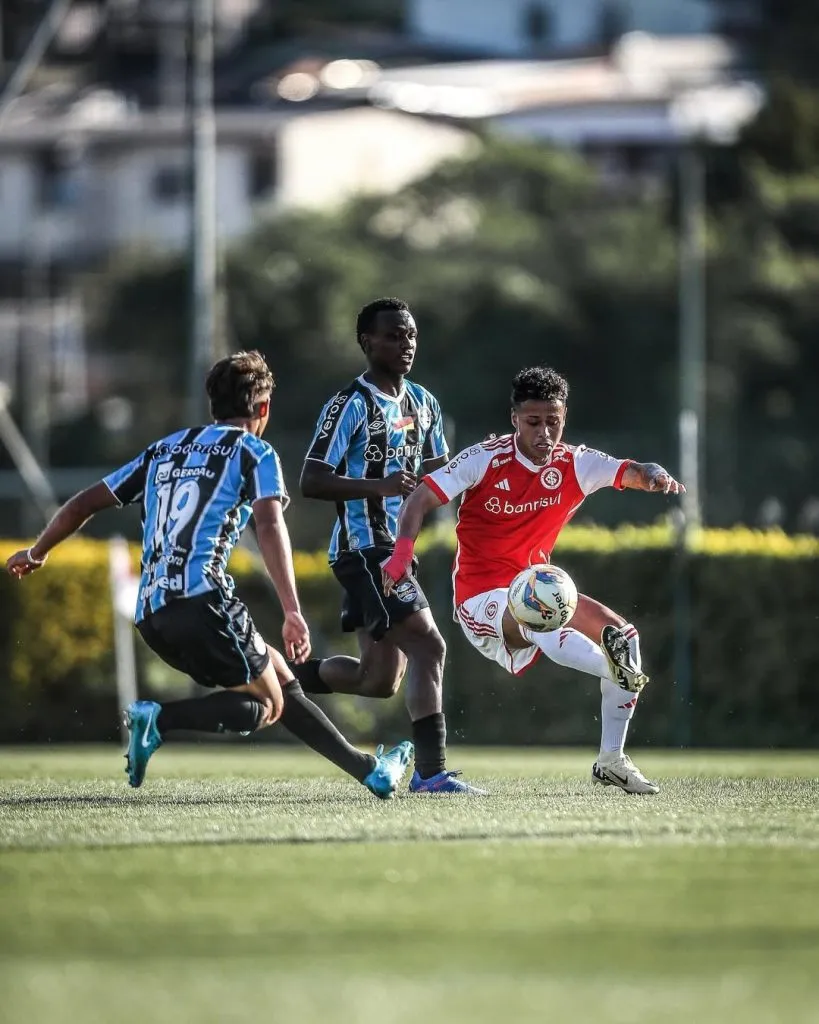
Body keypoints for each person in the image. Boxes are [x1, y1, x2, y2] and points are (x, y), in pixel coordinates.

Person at [5, 350, 412, 798]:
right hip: (202, 601)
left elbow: (84, 503)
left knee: (277, 669)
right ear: (263, 409)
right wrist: (292, 610)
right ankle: (159, 719)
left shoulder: (165, 449)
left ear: (213, 404)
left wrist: (38, 551)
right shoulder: (255, 452)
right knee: (268, 704)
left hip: (151, 614)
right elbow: (271, 524)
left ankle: (369, 771)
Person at [381, 365, 685, 795]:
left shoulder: (576, 464)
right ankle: (610, 667)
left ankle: (612, 760)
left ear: (564, 418)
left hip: (539, 586)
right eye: (534, 422)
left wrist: (653, 476)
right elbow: (418, 499)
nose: (545, 433)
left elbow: (632, 469)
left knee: (624, 635)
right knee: (540, 610)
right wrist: (402, 554)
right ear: (514, 420)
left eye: (554, 422)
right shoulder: (484, 459)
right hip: (480, 599)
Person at [295, 297, 484, 794]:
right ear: (367, 342)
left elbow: (444, 474)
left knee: (379, 680)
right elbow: (311, 480)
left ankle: (279, 679)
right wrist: (377, 487)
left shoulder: (424, 402)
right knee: (429, 645)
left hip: (394, 550)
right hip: (364, 549)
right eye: (394, 336)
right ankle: (431, 773)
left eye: (412, 336)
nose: (406, 345)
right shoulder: (349, 405)